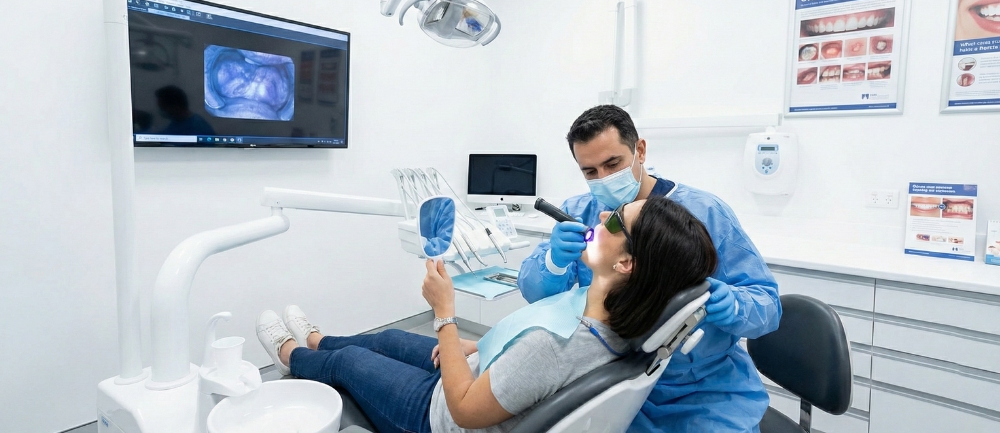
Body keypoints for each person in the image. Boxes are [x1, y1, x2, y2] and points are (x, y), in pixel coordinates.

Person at [256, 197, 718, 433]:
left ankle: (291, 353)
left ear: (627, 265)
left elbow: (464, 410)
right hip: (485, 369)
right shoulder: (613, 319)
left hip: (441, 414)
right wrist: (479, 346)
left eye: (615, 220)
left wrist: (445, 314)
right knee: (384, 342)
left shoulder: (557, 346)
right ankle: (317, 341)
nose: (600, 213)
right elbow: (527, 351)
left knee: (349, 364)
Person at [518, 104, 781, 432]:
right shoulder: (580, 212)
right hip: (612, 381)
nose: (603, 179)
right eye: (590, 172)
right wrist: (554, 261)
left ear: (639, 150)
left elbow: (768, 308)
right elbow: (535, 292)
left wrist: (734, 305)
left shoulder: (705, 213)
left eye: (613, 164)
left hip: (700, 392)